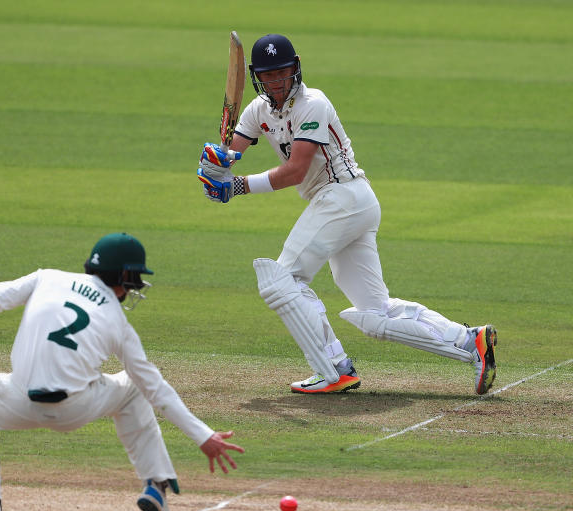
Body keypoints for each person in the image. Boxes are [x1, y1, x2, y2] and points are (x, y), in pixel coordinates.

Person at [197, 34, 497, 395]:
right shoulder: (257, 111)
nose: (278, 82)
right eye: (269, 75)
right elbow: (230, 154)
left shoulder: (314, 103)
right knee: (374, 314)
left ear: (296, 68)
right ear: (258, 77)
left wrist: (237, 187)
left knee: (282, 279)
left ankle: (333, 368)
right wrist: (214, 165)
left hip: (342, 198)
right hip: (345, 206)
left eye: (284, 72)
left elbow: (295, 170)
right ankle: (469, 341)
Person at [0, 233, 244, 511]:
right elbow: (155, 387)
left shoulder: (47, 278)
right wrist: (203, 436)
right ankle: (157, 485)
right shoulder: (117, 322)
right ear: (124, 277)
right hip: (76, 407)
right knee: (134, 387)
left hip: (18, 401)